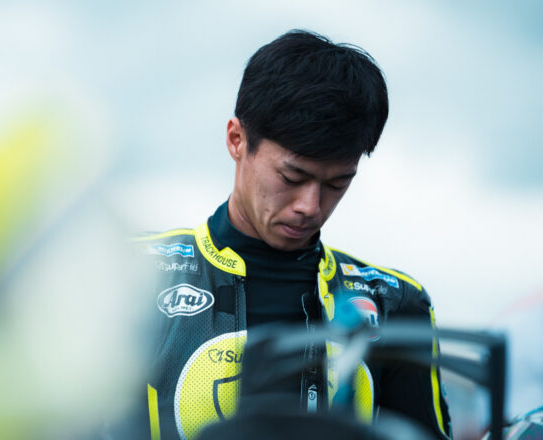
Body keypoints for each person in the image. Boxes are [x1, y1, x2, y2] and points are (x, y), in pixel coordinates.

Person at [134, 29, 452, 440]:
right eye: (292, 176)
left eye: (337, 183)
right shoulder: (131, 276)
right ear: (236, 140)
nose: (310, 206)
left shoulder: (394, 303)